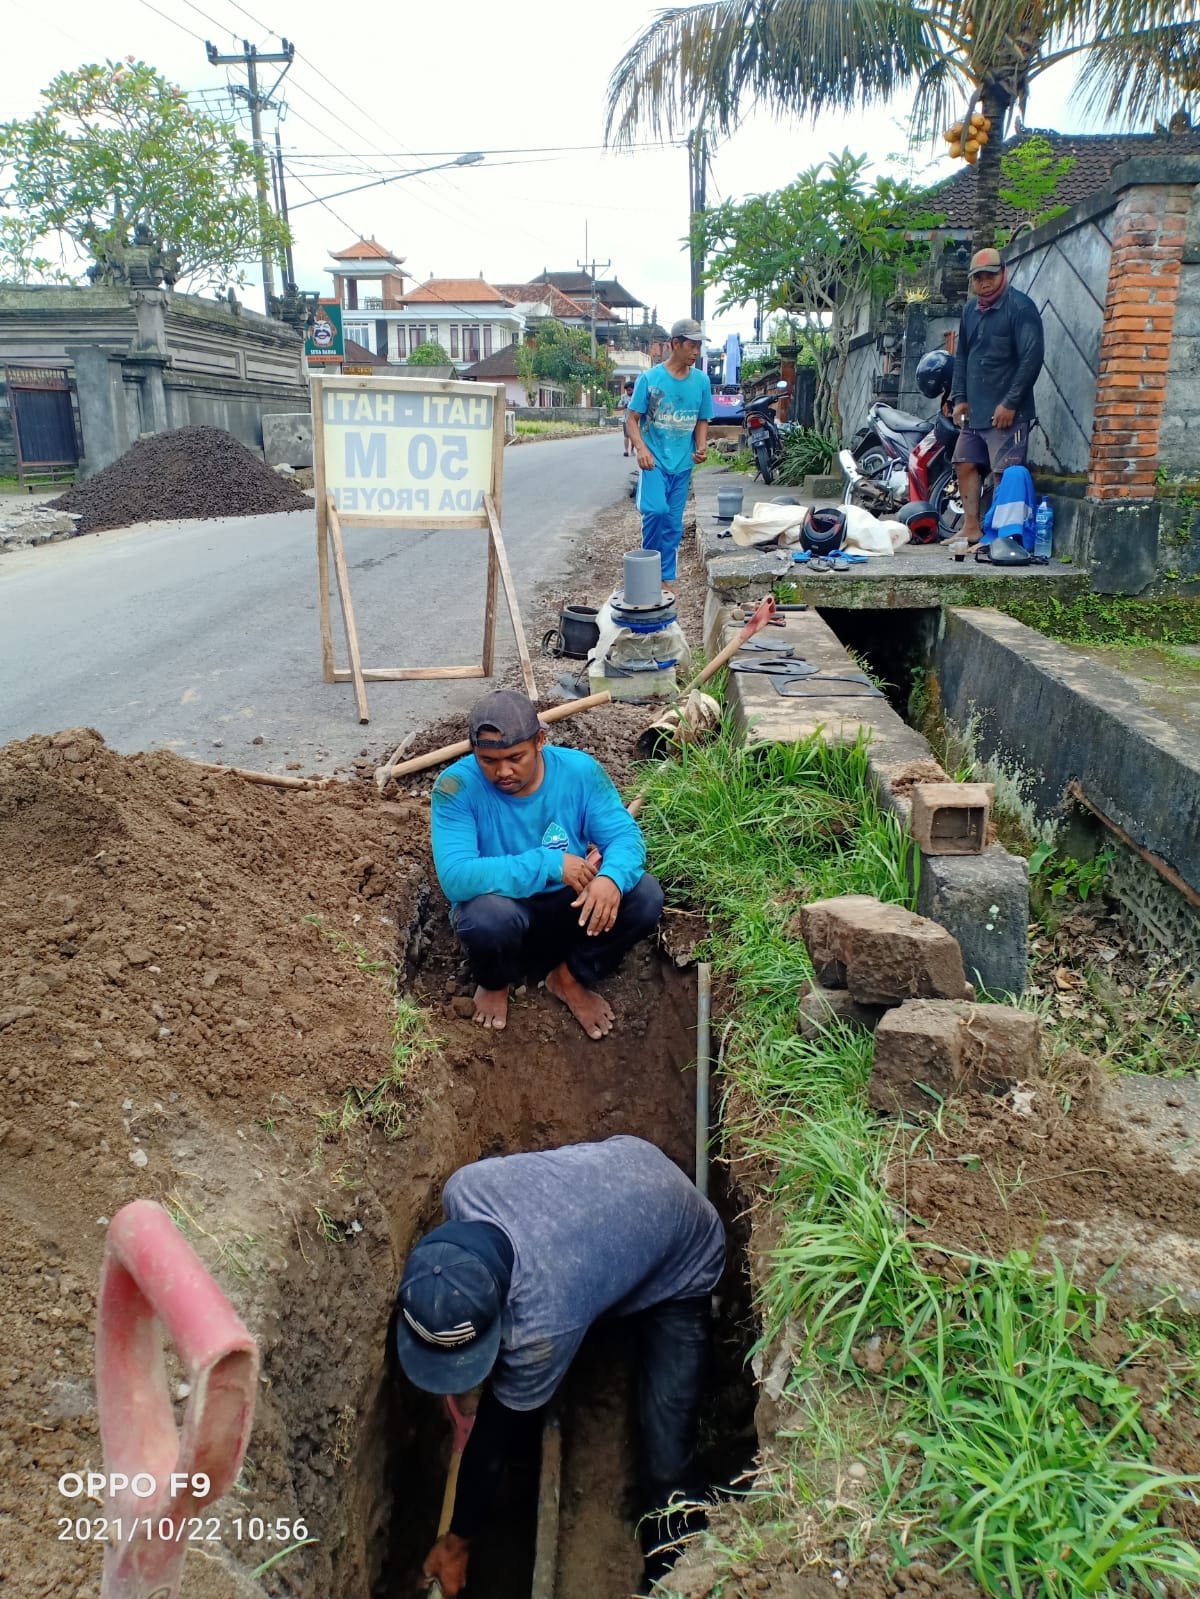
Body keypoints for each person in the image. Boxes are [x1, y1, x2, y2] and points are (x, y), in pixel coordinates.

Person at [393, 1135, 725, 1597]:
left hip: (682, 1250)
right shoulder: (466, 1187)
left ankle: (674, 1572)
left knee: (668, 1460)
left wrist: (457, 1543)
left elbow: (498, 1433)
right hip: (628, 1164)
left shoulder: (543, 1325)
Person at [430, 689, 664, 1039]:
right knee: (485, 917)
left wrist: (611, 879)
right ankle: (495, 982)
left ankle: (568, 978)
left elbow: (624, 838)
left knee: (645, 895)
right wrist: (549, 864)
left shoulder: (579, 773)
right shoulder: (455, 787)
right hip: (507, 910)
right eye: (488, 761)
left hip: (571, 906)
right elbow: (456, 877)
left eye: (514, 757)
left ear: (540, 740)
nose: (502, 771)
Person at [947, 247, 1044, 555]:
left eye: (990, 275)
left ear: (1004, 273)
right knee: (963, 463)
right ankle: (971, 527)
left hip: (1006, 412)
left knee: (1005, 472)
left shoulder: (1020, 307)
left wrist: (1011, 402)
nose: (985, 282)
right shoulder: (971, 310)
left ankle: (998, 536)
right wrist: (959, 398)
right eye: (979, 278)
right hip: (974, 409)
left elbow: (1032, 358)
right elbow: (962, 356)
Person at [625, 318, 714, 582]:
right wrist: (641, 448)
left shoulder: (701, 382)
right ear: (675, 344)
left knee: (674, 525)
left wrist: (701, 446)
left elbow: (702, 419)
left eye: (699, 345)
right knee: (656, 511)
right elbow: (631, 419)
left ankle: (666, 576)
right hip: (653, 460)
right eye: (692, 345)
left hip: (682, 463)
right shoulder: (650, 379)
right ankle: (647, 570)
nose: (696, 351)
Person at [617, 378, 636, 457]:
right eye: (627, 390)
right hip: (626, 419)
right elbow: (618, 407)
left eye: (629, 390)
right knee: (626, 435)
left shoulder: (636, 397)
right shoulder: (623, 397)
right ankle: (626, 451)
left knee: (633, 436)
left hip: (635, 419)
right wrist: (624, 406)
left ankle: (632, 449)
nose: (628, 392)